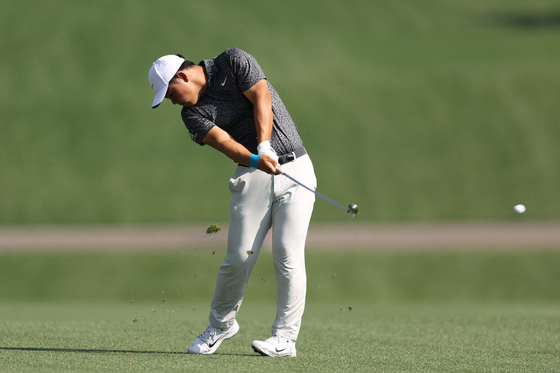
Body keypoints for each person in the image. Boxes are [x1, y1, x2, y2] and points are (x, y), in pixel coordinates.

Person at [148, 48, 316, 357]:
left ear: (182, 76)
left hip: (296, 168)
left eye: (170, 93)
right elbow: (225, 143)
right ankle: (221, 325)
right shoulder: (193, 115)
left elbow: (262, 97)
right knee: (238, 258)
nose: (172, 102)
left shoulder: (233, 61)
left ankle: (285, 340)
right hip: (252, 174)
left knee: (288, 255)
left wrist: (265, 145)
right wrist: (256, 157)